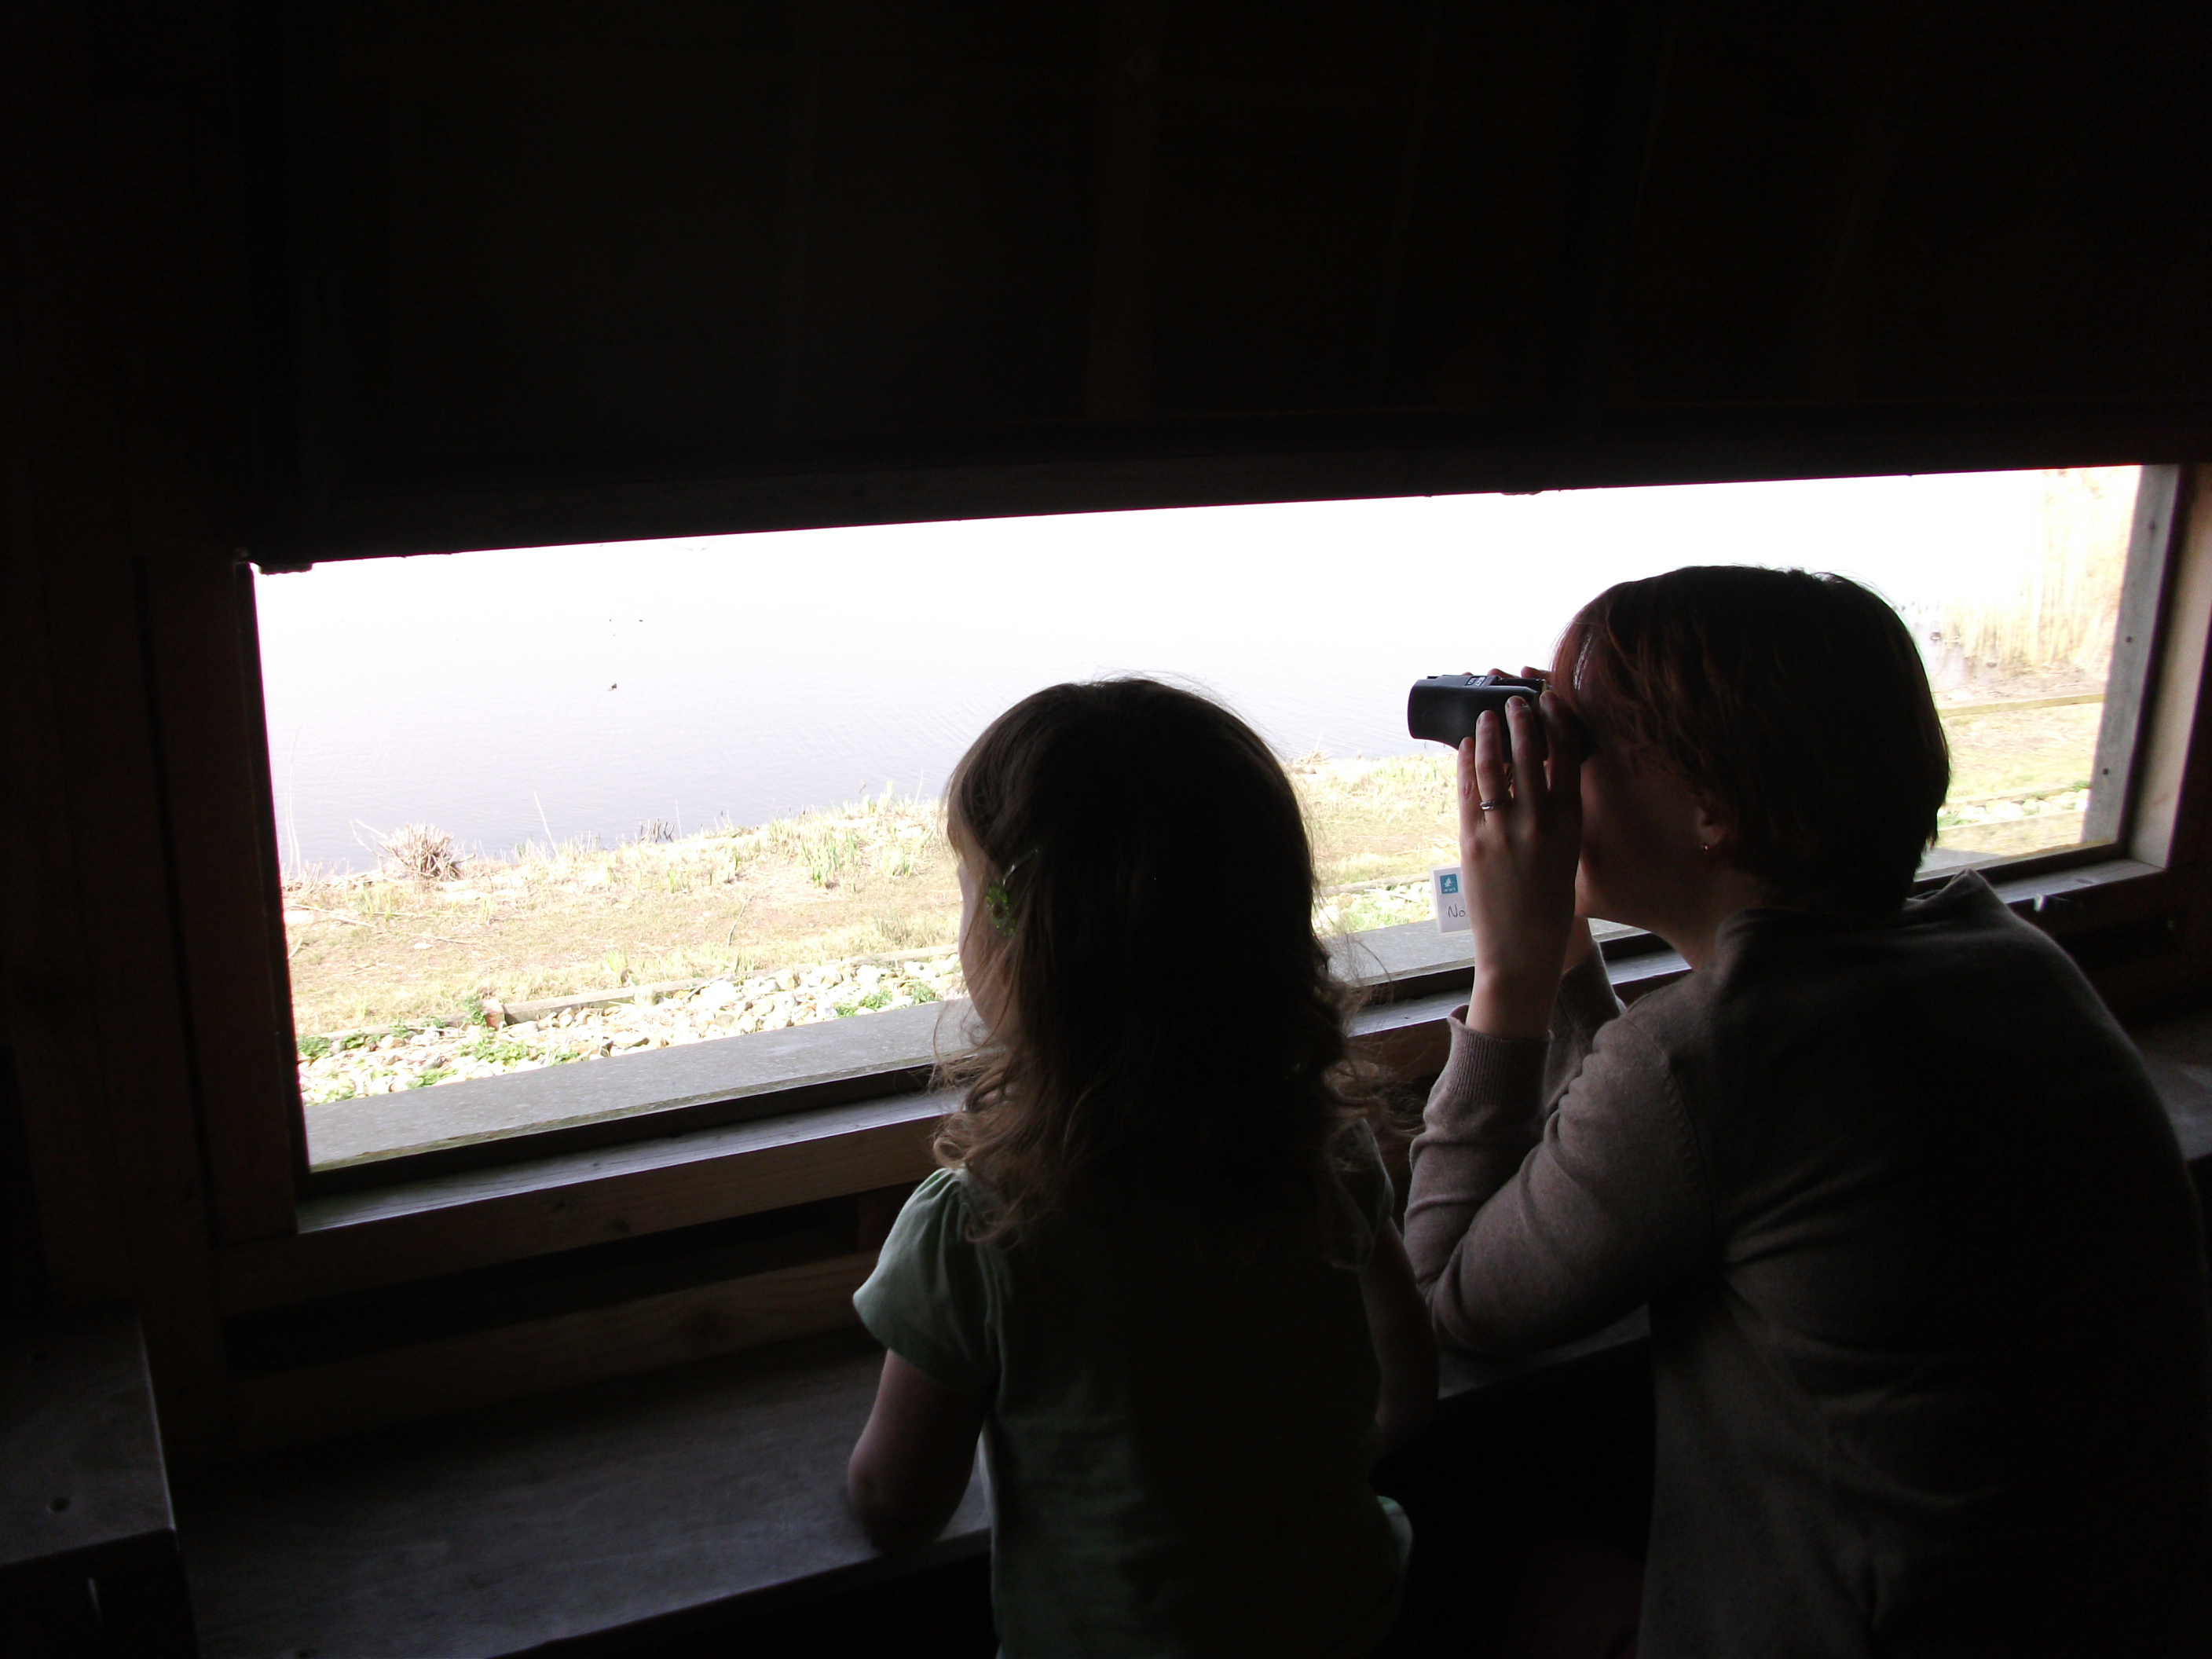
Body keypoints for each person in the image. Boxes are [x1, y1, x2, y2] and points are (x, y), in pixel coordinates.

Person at [1405, 566, 2212, 1657]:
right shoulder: (2010, 959)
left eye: (1574, 735)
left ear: (1710, 810)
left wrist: (1511, 971)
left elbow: (1448, 1297)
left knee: (1457, 1546)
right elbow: (1661, 1120)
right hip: (2106, 1613)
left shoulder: (1714, 1058)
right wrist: (1558, 945)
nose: (1549, 766)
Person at [845, 677, 1437, 1657]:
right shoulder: (1323, 1152)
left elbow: (895, 1503)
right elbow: (1406, 1384)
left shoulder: (981, 1221)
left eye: (968, 889)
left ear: (1017, 938)